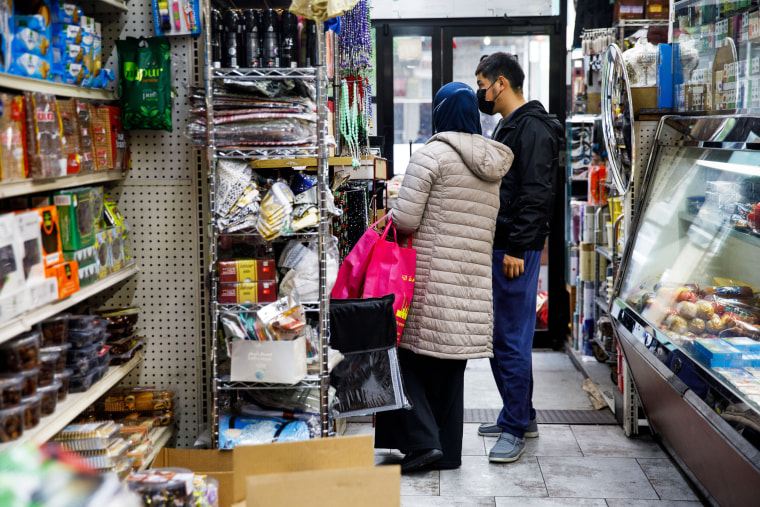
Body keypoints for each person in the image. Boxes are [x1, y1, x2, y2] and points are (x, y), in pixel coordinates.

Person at [374, 82, 514, 473]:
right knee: (451, 368)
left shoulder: (431, 155)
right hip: (470, 281)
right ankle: (448, 452)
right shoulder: (491, 161)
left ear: (440, 112)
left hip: (430, 278)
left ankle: (422, 443)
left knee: (402, 356)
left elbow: (405, 220)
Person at [474, 53, 563, 463]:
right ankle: (520, 415)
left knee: (510, 339)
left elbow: (536, 195)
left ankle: (514, 429)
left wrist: (514, 248)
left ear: (502, 84)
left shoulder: (532, 129)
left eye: (482, 84)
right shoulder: (513, 126)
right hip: (505, 245)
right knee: (501, 338)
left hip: (515, 250)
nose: (481, 93)